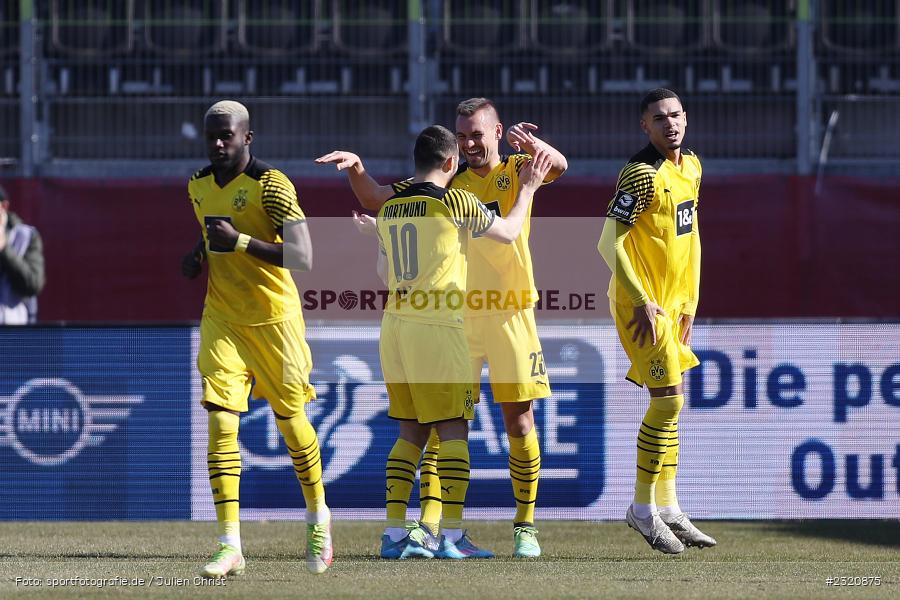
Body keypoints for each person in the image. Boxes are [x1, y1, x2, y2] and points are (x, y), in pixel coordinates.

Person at [317, 98, 567, 558]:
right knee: (446, 426)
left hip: (506, 309)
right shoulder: (452, 188)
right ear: (452, 153)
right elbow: (381, 198)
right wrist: (359, 173)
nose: (472, 142)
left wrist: (536, 147)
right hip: (453, 317)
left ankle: (523, 526)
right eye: (464, 134)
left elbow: (559, 164)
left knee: (517, 418)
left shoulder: (515, 166)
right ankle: (438, 530)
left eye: (478, 133)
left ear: (497, 132)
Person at [182, 100, 332, 577]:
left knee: (292, 424)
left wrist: (240, 243)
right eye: (211, 136)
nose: (218, 143)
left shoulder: (272, 185)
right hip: (223, 318)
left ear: (248, 137)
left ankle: (318, 517)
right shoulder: (198, 185)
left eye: (227, 135)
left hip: (274, 321)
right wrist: (198, 255)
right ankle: (230, 544)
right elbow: (213, 235)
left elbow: (304, 256)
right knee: (222, 422)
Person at [597, 88, 717, 554]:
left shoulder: (692, 168)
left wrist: (690, 301)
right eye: (658, 118)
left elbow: (691, 240)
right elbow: (608, 244)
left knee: (674, 403)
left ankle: (667, 506)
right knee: (667, 403)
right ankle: (642, 509)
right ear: (644, 127)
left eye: (675, 115)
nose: (669, 123)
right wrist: (643, 298)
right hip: (638, 306)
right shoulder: (641, 175)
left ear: (686, 118)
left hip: (672, 305)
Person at [0, 185, 45, 325]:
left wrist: (4, 249)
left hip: (16, 335)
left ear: (4, 207)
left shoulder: (26, 236)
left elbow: (33, 283)